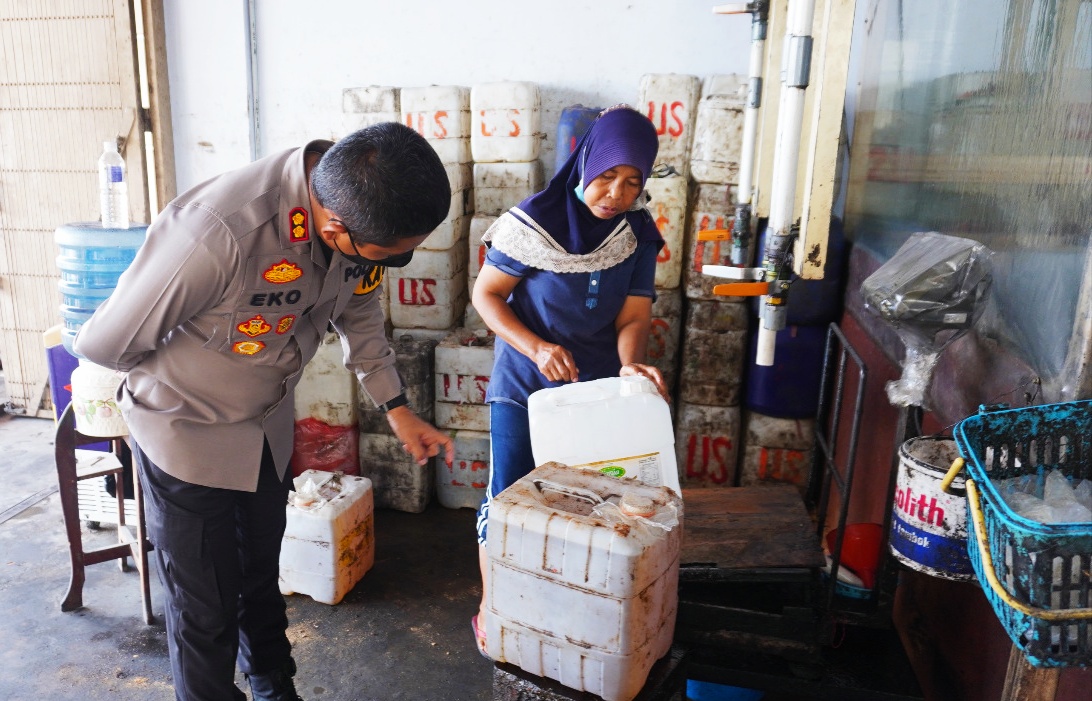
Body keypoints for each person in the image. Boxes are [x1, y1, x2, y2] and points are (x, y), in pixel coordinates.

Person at [75, 122, 456, 701]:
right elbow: (107, 341)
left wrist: (398, 408)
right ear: (334, 228)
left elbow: (360, 313)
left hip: (266, 431)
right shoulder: (219, 230)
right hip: (187, 438)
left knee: (258, 578)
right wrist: (189, 379)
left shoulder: (359, 206)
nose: (402, 258)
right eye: (391, 253)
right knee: (205, 607)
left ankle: (274, 687)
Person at [469, 105, 670, 655]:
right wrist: (535, 346)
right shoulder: (535, 221)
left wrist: (630, 363)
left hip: (595, 390)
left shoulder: (637, 233)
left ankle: (572, 609)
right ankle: (494, 607)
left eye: (632, 183)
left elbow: (632, 315)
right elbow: (485, 295)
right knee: (509, 498)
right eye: (606, 177)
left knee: (591, 505)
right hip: (525, 385)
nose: (616, 193)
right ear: (584, 164)